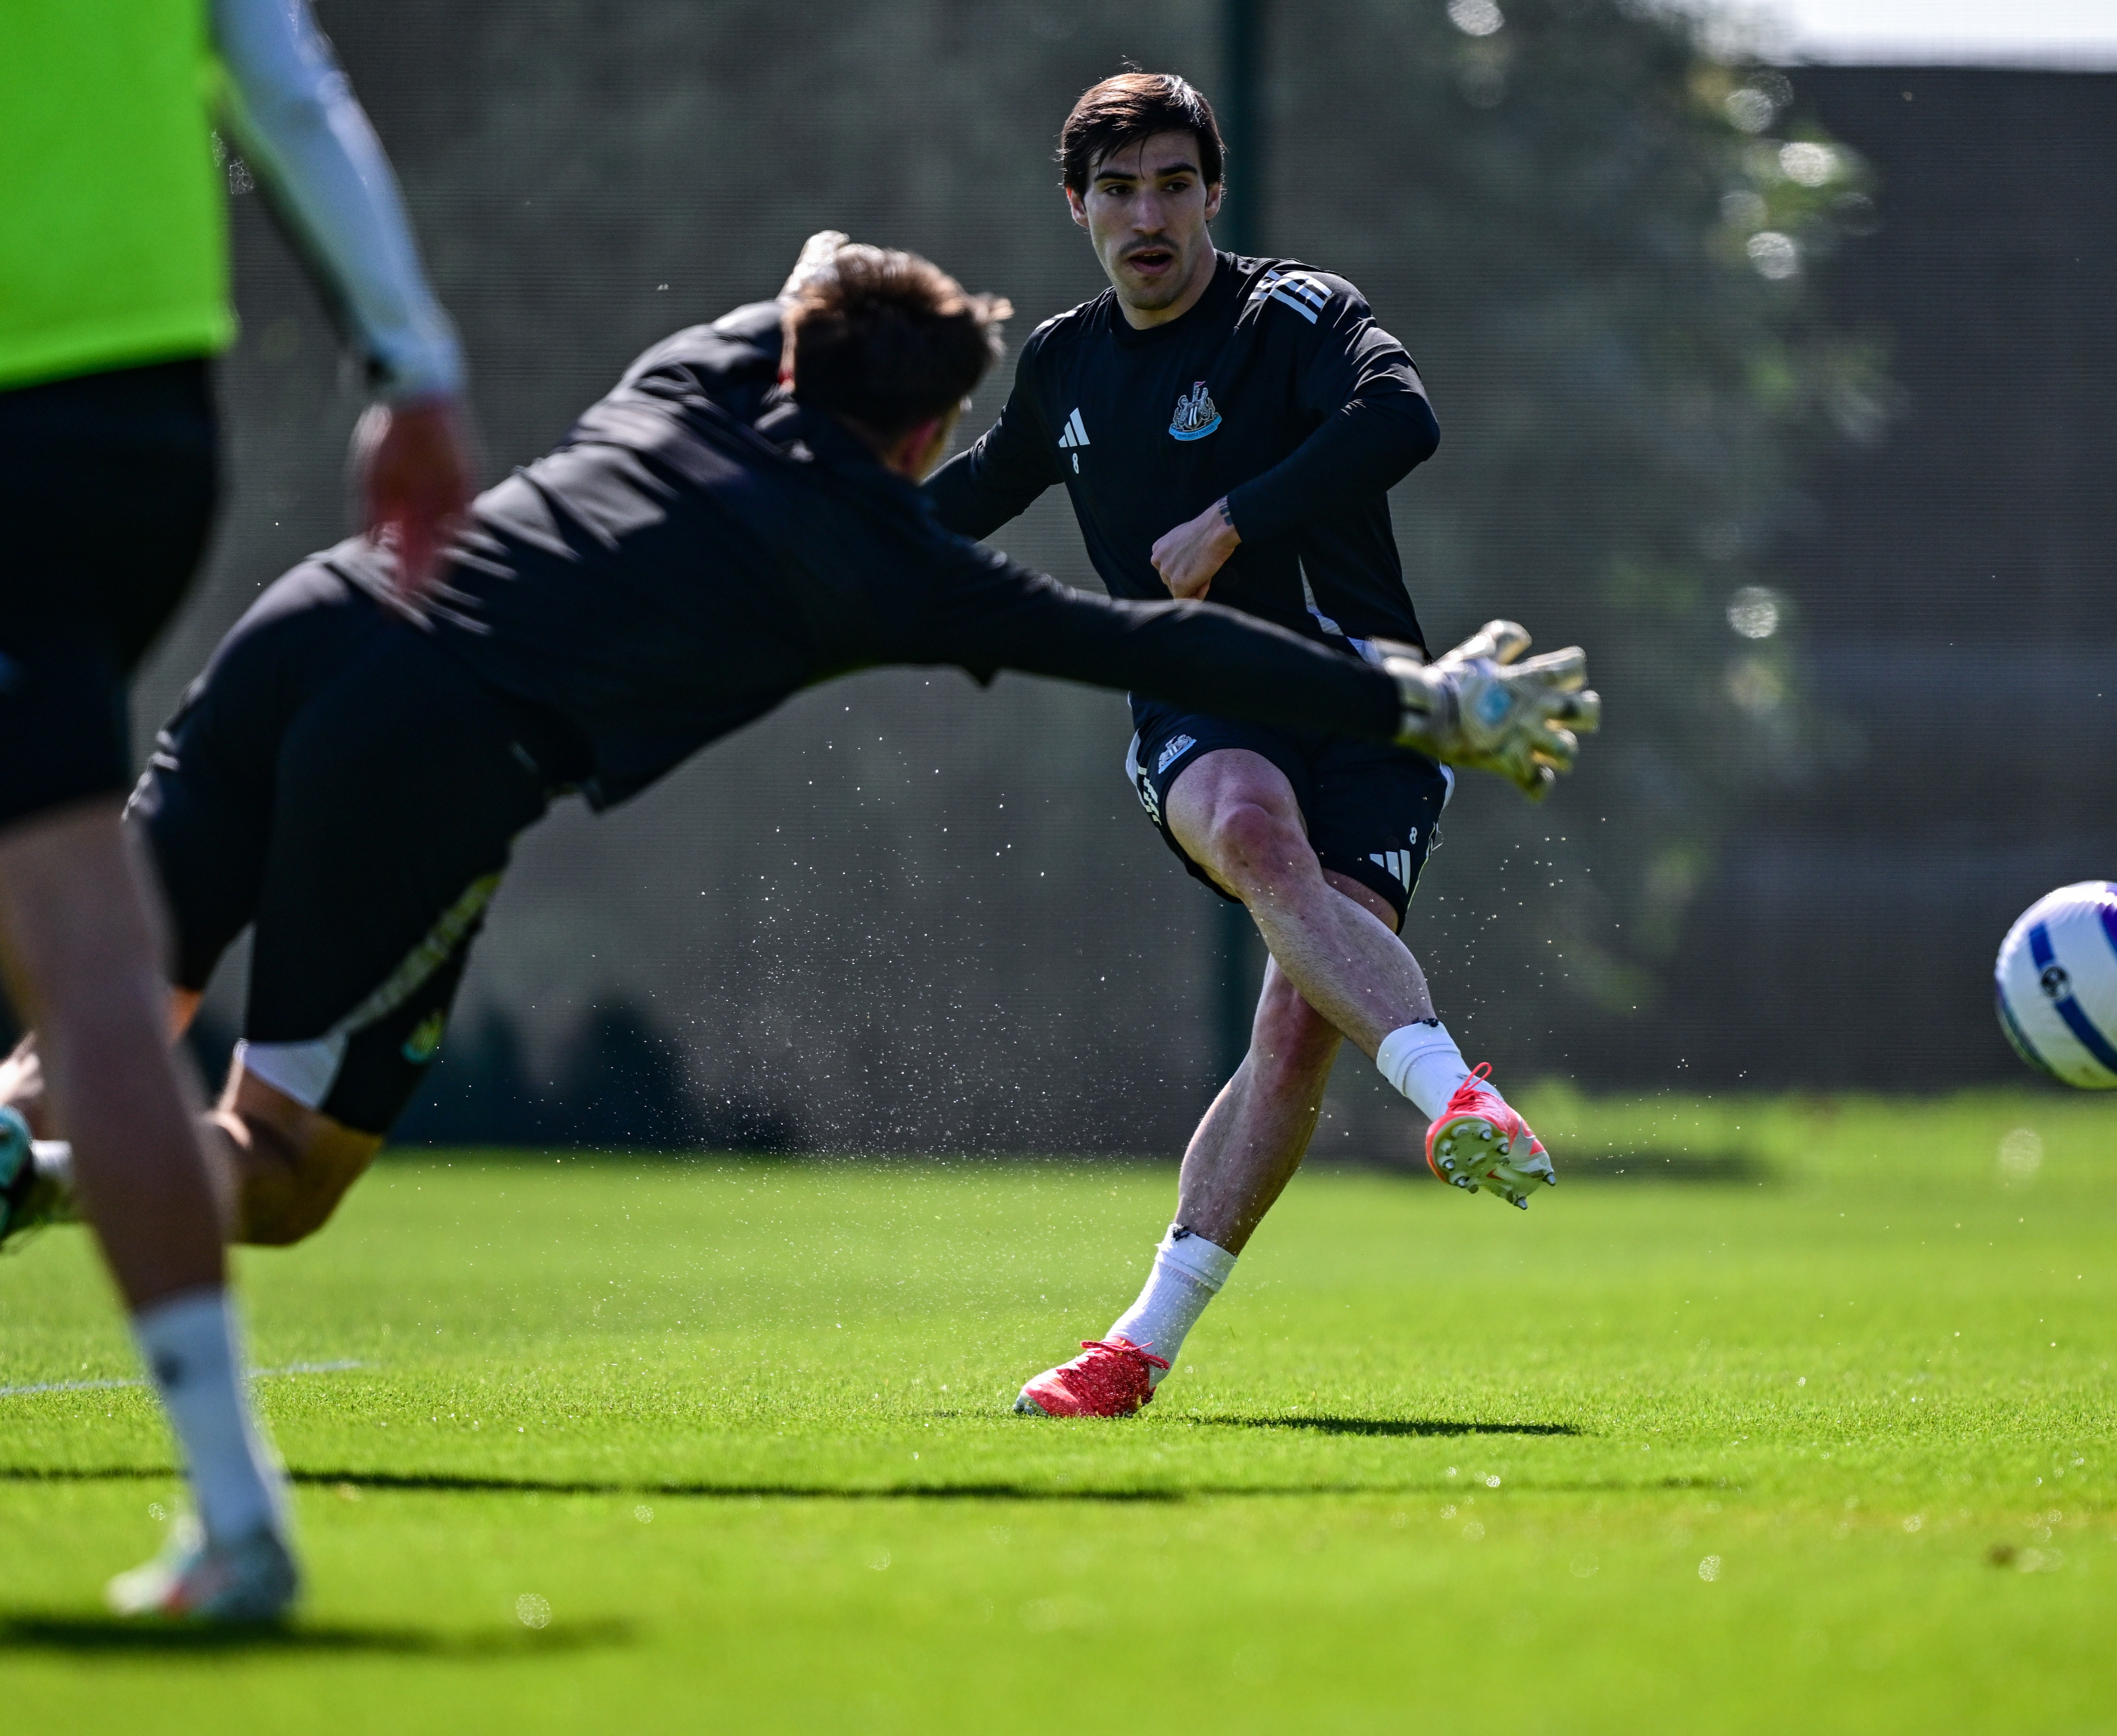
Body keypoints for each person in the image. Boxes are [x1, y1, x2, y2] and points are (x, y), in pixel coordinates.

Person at [0, 245, 1591, 1324]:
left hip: (319, 612)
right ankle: (58, 1189)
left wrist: (847, 285)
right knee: (276, 1174)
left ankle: (15, 1142)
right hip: (434, 740)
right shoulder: (878, 563)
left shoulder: (693, 374)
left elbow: (809, 282)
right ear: (918, 436)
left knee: (96, 1016)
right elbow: (1176, 652)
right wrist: (1411, 700)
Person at [923, 73, 1596, 1420]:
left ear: (1212, 194)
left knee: (1295, 1026)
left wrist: (1235, 513)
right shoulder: (1063, 363)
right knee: (1245, 825)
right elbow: (971, 497)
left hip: (1366, 706)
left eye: (1173, 184)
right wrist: (812, 555)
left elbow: (1403, 419)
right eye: (1116, 191)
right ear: (1076, 207)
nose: (1146, 215)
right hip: (1198, 708)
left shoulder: (1295, 315)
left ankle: (1134, 1348)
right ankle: (1451, 1091)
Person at [0, 0, 473, 1620]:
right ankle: (228, 1511)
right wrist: (412, 361)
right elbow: (283, 79)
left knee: (74, 941)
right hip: (138, 432)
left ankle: (235, 1508)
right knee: (78, 945)